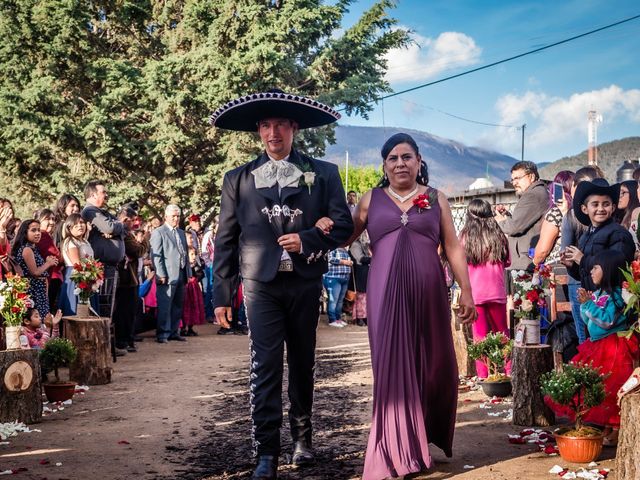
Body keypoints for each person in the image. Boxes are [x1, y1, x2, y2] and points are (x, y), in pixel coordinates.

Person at [210, 89, 353, 479]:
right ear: (259, 131)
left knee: (303, 362)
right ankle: (267, 452)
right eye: (266, 126)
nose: (274, 133)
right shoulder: (236, 179)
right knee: (266, 366)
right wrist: (222, 294)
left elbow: (343, 225)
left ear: (294, 129)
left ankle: (303, 439)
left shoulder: (323, 173)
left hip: (305, 282)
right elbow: (225, 240)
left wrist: (308, 237)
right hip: (260, 285)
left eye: (280, 125)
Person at [348, 133, 476, 479]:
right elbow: (345, 236)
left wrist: (466, 290)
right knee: (392, 365)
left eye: (407, 157)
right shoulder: (369, 199)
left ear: (419, 162)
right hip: (385, 295)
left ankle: (421, 437)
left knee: (435, 365)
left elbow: (452, 247)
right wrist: (322, 225)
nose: (400, 163)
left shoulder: (436, 199)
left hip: (429, 295)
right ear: (384, 165)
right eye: (392, 158)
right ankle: (393, 452)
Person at [549, 250, 639, 446]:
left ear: (608, 271)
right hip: (597, 344)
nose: (591, 271)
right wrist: (585, 305)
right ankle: (606, 426)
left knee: (612, 386)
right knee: (597, 386)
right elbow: (588, 319)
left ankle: (616, 428)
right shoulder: (599, 294)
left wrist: (589, 305)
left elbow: (607, 321)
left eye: (595, 267)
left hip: (614, 347)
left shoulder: (617, 296)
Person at [459, 199, 510, 378]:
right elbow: (507, 260)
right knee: (502, 332)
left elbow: (460, 262)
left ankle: (483, 375)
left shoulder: (465, 236)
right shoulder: (498, 234)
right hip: (496, 291)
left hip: (475, 293)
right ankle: (508, 371)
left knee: (480, 336)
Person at [561, 179, 635, 293]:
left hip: (611, 302)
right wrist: (572, 266)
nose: (600, 209)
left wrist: (582, 259)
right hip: (592, 302)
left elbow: (616, 269)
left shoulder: (618, 234)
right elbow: (584, 276)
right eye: (595, 204)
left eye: (606, 204)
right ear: (584, 209)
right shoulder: (586, 236)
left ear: (613, 208)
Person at [560, 166, 603, 344]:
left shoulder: (571, 216)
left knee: (588, 337)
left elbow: (566, 249)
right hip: (584, 281)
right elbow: (567, 252)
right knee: (590, 335)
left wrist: (574, 259)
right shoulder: (572, 216)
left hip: (589, 282)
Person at [81, 180, 125, 318]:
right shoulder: (90, 211)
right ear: (93, 195)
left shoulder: (103, 212)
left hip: (110, 267)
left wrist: (117, 226)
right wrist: (114, 227)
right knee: (103, 305)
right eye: (103, 192)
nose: (106, 195)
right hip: (102, 267)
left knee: (110, 307)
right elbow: (110, 227)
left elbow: (122, 227)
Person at [495, 161, 548, 270]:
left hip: (525, 264)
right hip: (528, 260)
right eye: (513, 179)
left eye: (518, 178)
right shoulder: (540, 191)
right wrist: (507, 215)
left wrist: (499, 220)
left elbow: (515, 228)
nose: (514, 183)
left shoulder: (531, 195)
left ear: (531, 176)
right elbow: (523, 222)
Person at [150, 204, 191, 344]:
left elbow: (184, 253)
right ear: (166, 216)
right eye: (173, 216)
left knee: (178, 305)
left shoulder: (180, 232)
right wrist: (160, 274)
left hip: (181, 272)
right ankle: (162, 334)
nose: (175, 218)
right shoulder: (159, 232)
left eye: (178, 216)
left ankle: (174, 332)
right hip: (166, 275)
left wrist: (188, 272)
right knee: (165, 306)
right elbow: (156, 256)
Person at [112, 206, 148, 354]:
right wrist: (146, 240)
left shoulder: (127, 233)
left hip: (131, 278)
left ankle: (127, 339)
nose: (134, 223)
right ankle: (123, 341)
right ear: (124, 219)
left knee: (130, 312)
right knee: (124, 313)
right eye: (132, 220)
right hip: (126, 280)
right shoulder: (124, 235)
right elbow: (138, 250)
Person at [12, 219, 60, 320]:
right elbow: (35, 272)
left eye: (39, 230)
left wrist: (46, 261)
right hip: (34, 291)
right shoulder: (27, 249)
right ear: (25, 232)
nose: (38, 233)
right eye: (33, 230)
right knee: (37, 321)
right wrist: (48, 263)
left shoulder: (33, 248)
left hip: (40, 290)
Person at [532, 170, 574, 266]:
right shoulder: (578, 211)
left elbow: (542, 251)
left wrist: (535, 262)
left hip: (557, 267)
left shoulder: (555, 214)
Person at [58, 214, 94, 316]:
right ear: (69, 227)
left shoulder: (85, 241)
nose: (80, 226)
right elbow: (77, 263)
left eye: (82, 223)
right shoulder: (70, 242)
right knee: (76, 309)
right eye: (76, 224)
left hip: (87, 275)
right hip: (76, 276)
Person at [35, 209, 64, 315]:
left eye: (53, 219)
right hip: (49, 279)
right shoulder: (44, 235)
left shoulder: (45, 236)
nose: (52, 222)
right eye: (47, 219)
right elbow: (58, 258)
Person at [323, 247, 353, 328]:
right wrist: (344, 262)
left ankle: (338, 319)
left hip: (345, 278)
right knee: (333, 300)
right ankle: (332, 320)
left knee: (340, 301)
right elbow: (330, 259)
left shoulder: (345, 250)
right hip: (333, 277)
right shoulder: (332, 247)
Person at [180, 247, 206, 337]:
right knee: (185, 307)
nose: (194, 256)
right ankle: (183, 328)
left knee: (194, 307)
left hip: (194, 289)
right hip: (187, 289)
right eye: (191, 254)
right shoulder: (184, 266)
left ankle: (190, 327)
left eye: (195, 254)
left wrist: (196, 278)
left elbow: (201, 274)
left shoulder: (195, 265)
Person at [349, 230, 371, 327]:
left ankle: (365, 317)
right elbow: (360, 258)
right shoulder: (355, 244)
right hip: (359, 273)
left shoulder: (364, 245)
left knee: (366, 297)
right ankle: (359, 318)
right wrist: (376, 258)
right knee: (360, 297)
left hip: (365, 273)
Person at [614, 180, 640, 253]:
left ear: (633, 194)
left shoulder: (637, 214)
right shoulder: (617, 217)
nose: (619, 196)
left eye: (623, 192)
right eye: (618, 192)